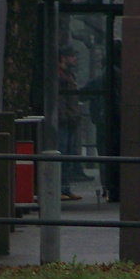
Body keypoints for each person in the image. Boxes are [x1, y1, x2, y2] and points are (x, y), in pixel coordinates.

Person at [57, 47, 82, 201]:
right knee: (62, 155)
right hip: (64, 121)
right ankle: (60, 188)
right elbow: (60, 101)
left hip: (70, 120)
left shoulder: (67, 74)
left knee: (67, 157)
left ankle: (65, 188)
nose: (74, 59)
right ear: (63, 57)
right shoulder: (59, 76)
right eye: (72, 56)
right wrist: (66, 116)